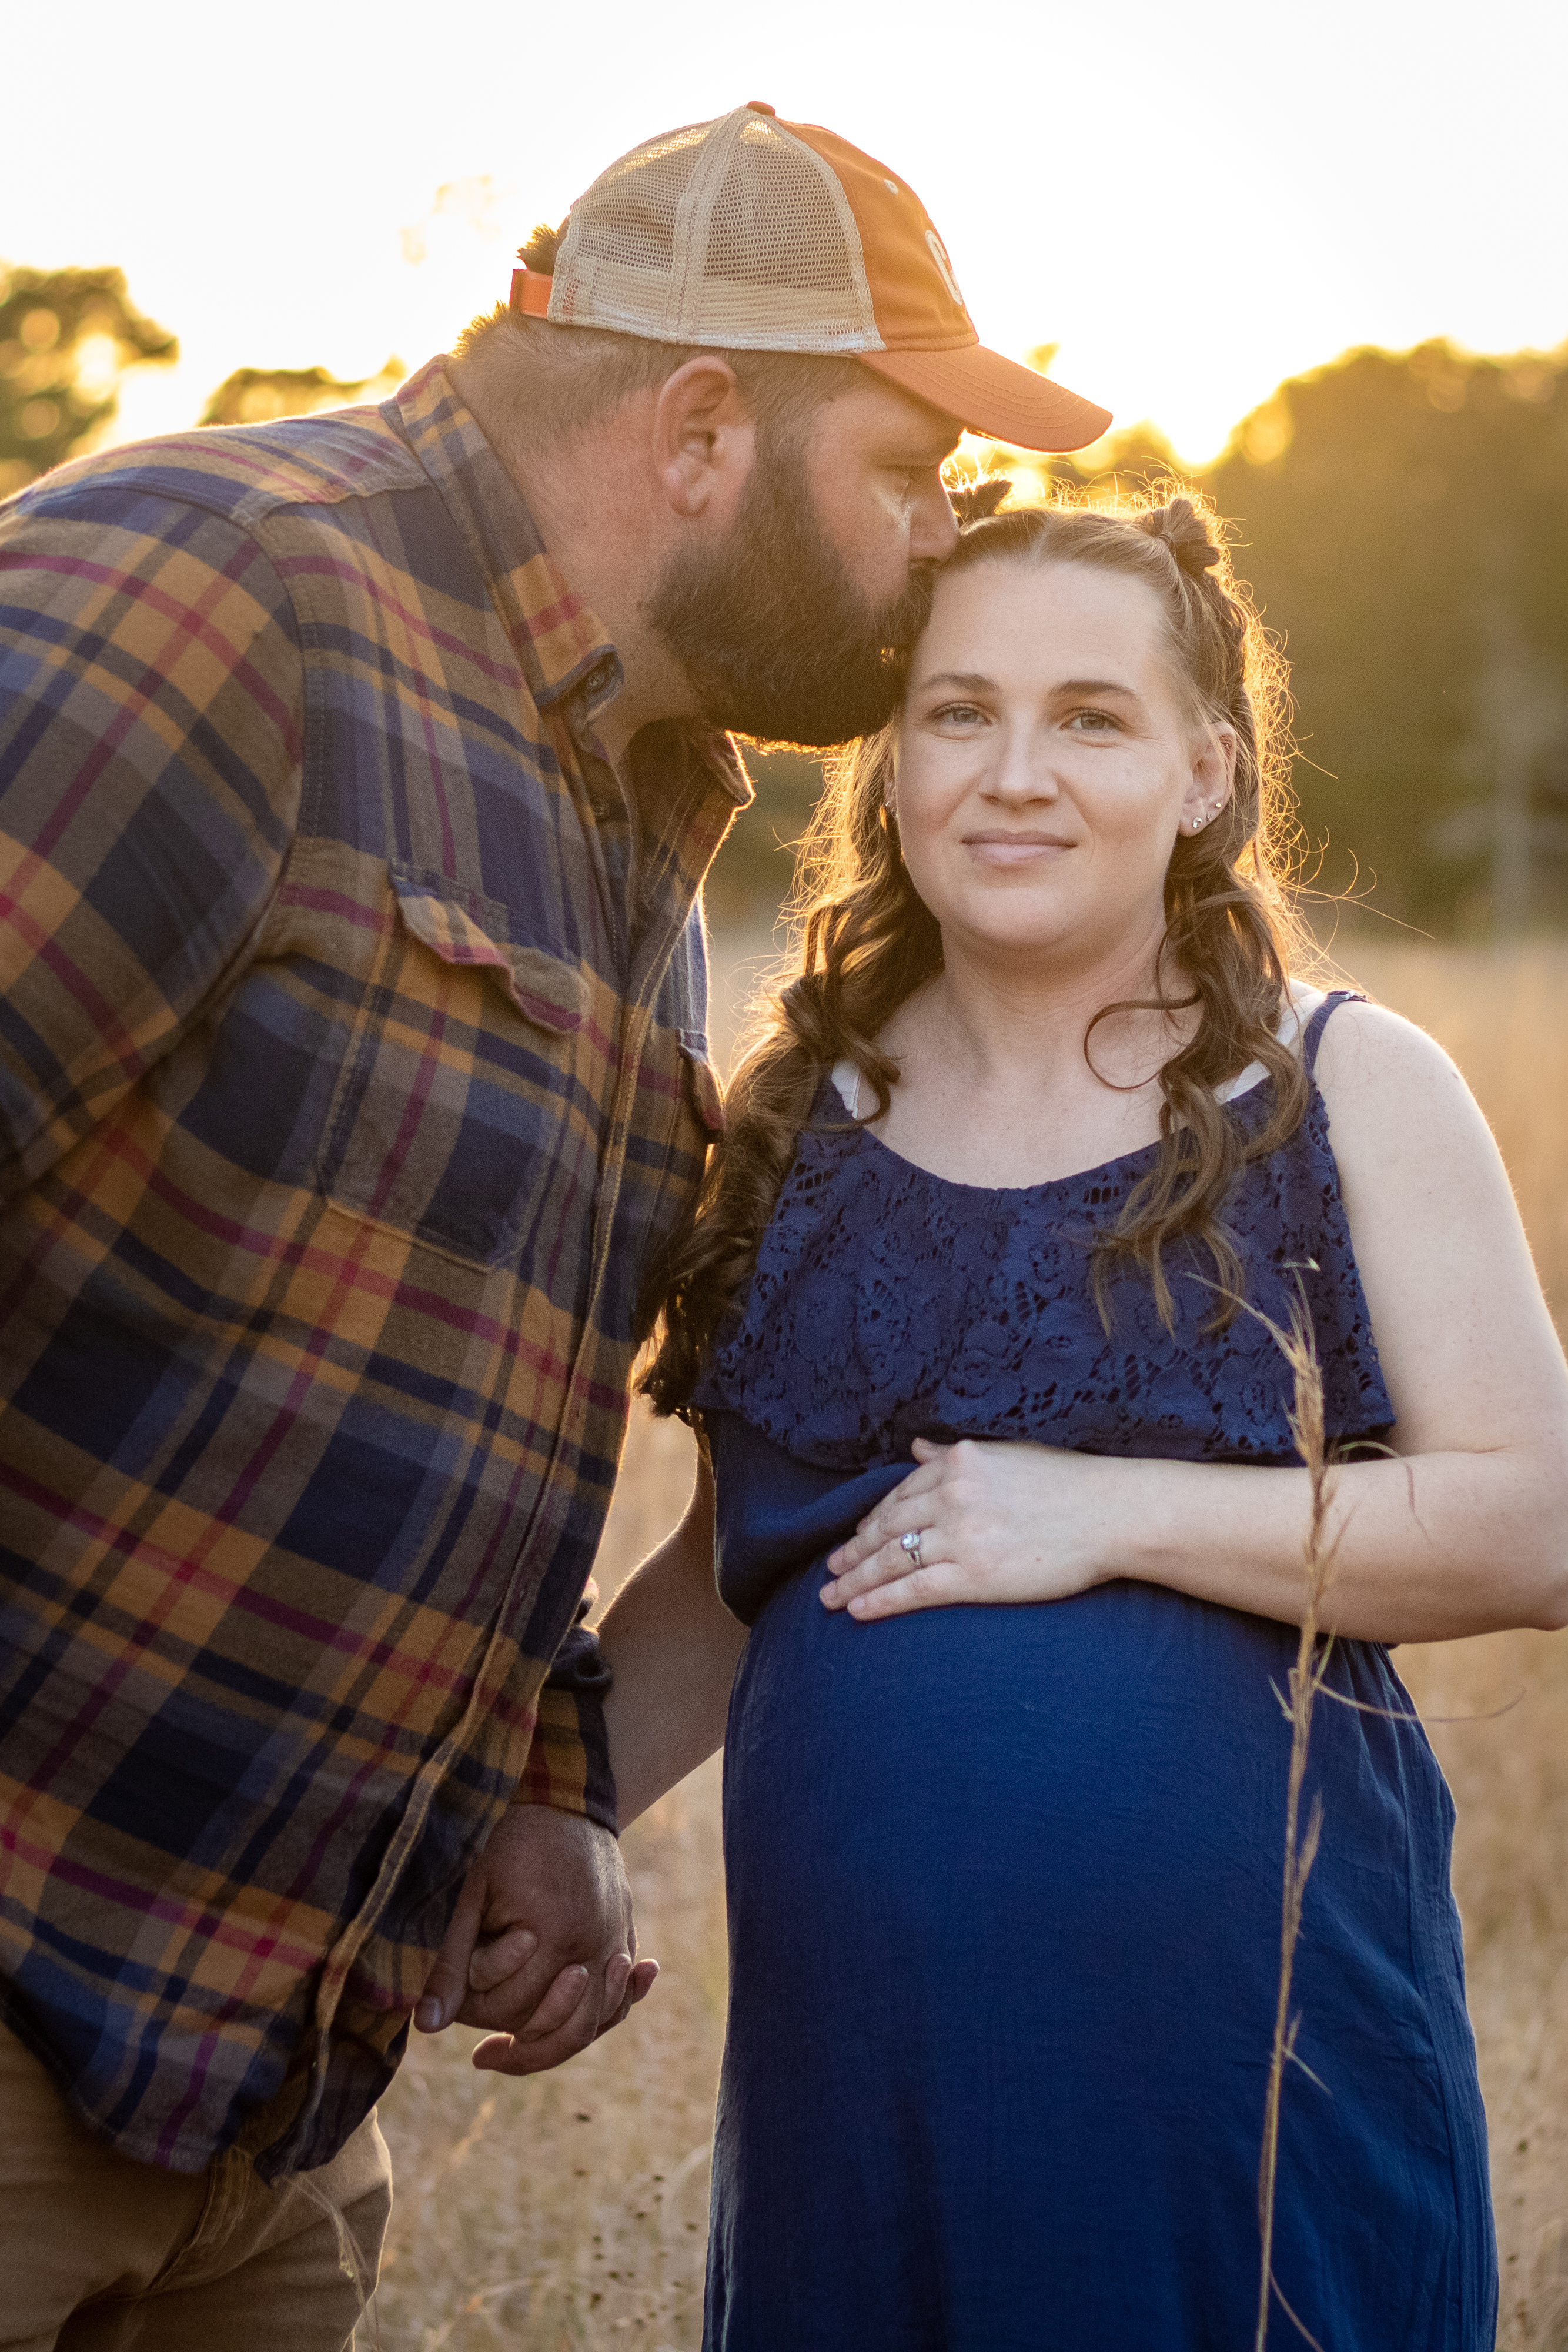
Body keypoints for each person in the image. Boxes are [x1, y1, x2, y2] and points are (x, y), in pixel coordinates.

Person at [0, 106, 1109, 2349]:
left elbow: (472, 1402)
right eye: (903, 475)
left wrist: (536, 1791)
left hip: (272, 2119)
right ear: (704, 428)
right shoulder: (205, 591)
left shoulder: (640, 814)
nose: (937, 549)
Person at [599, 493, 1568, 2349]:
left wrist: (1103, 1513)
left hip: (1249, 2088)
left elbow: (1526, 1527)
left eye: (1089, 719)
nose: (1012, 773)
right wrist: (548, 1817)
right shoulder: (795, 1113)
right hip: (864, 2092)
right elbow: (746, 1567)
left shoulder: (1340, 1080)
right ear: (891, 768)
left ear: (1204, 773)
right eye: (957, 712)